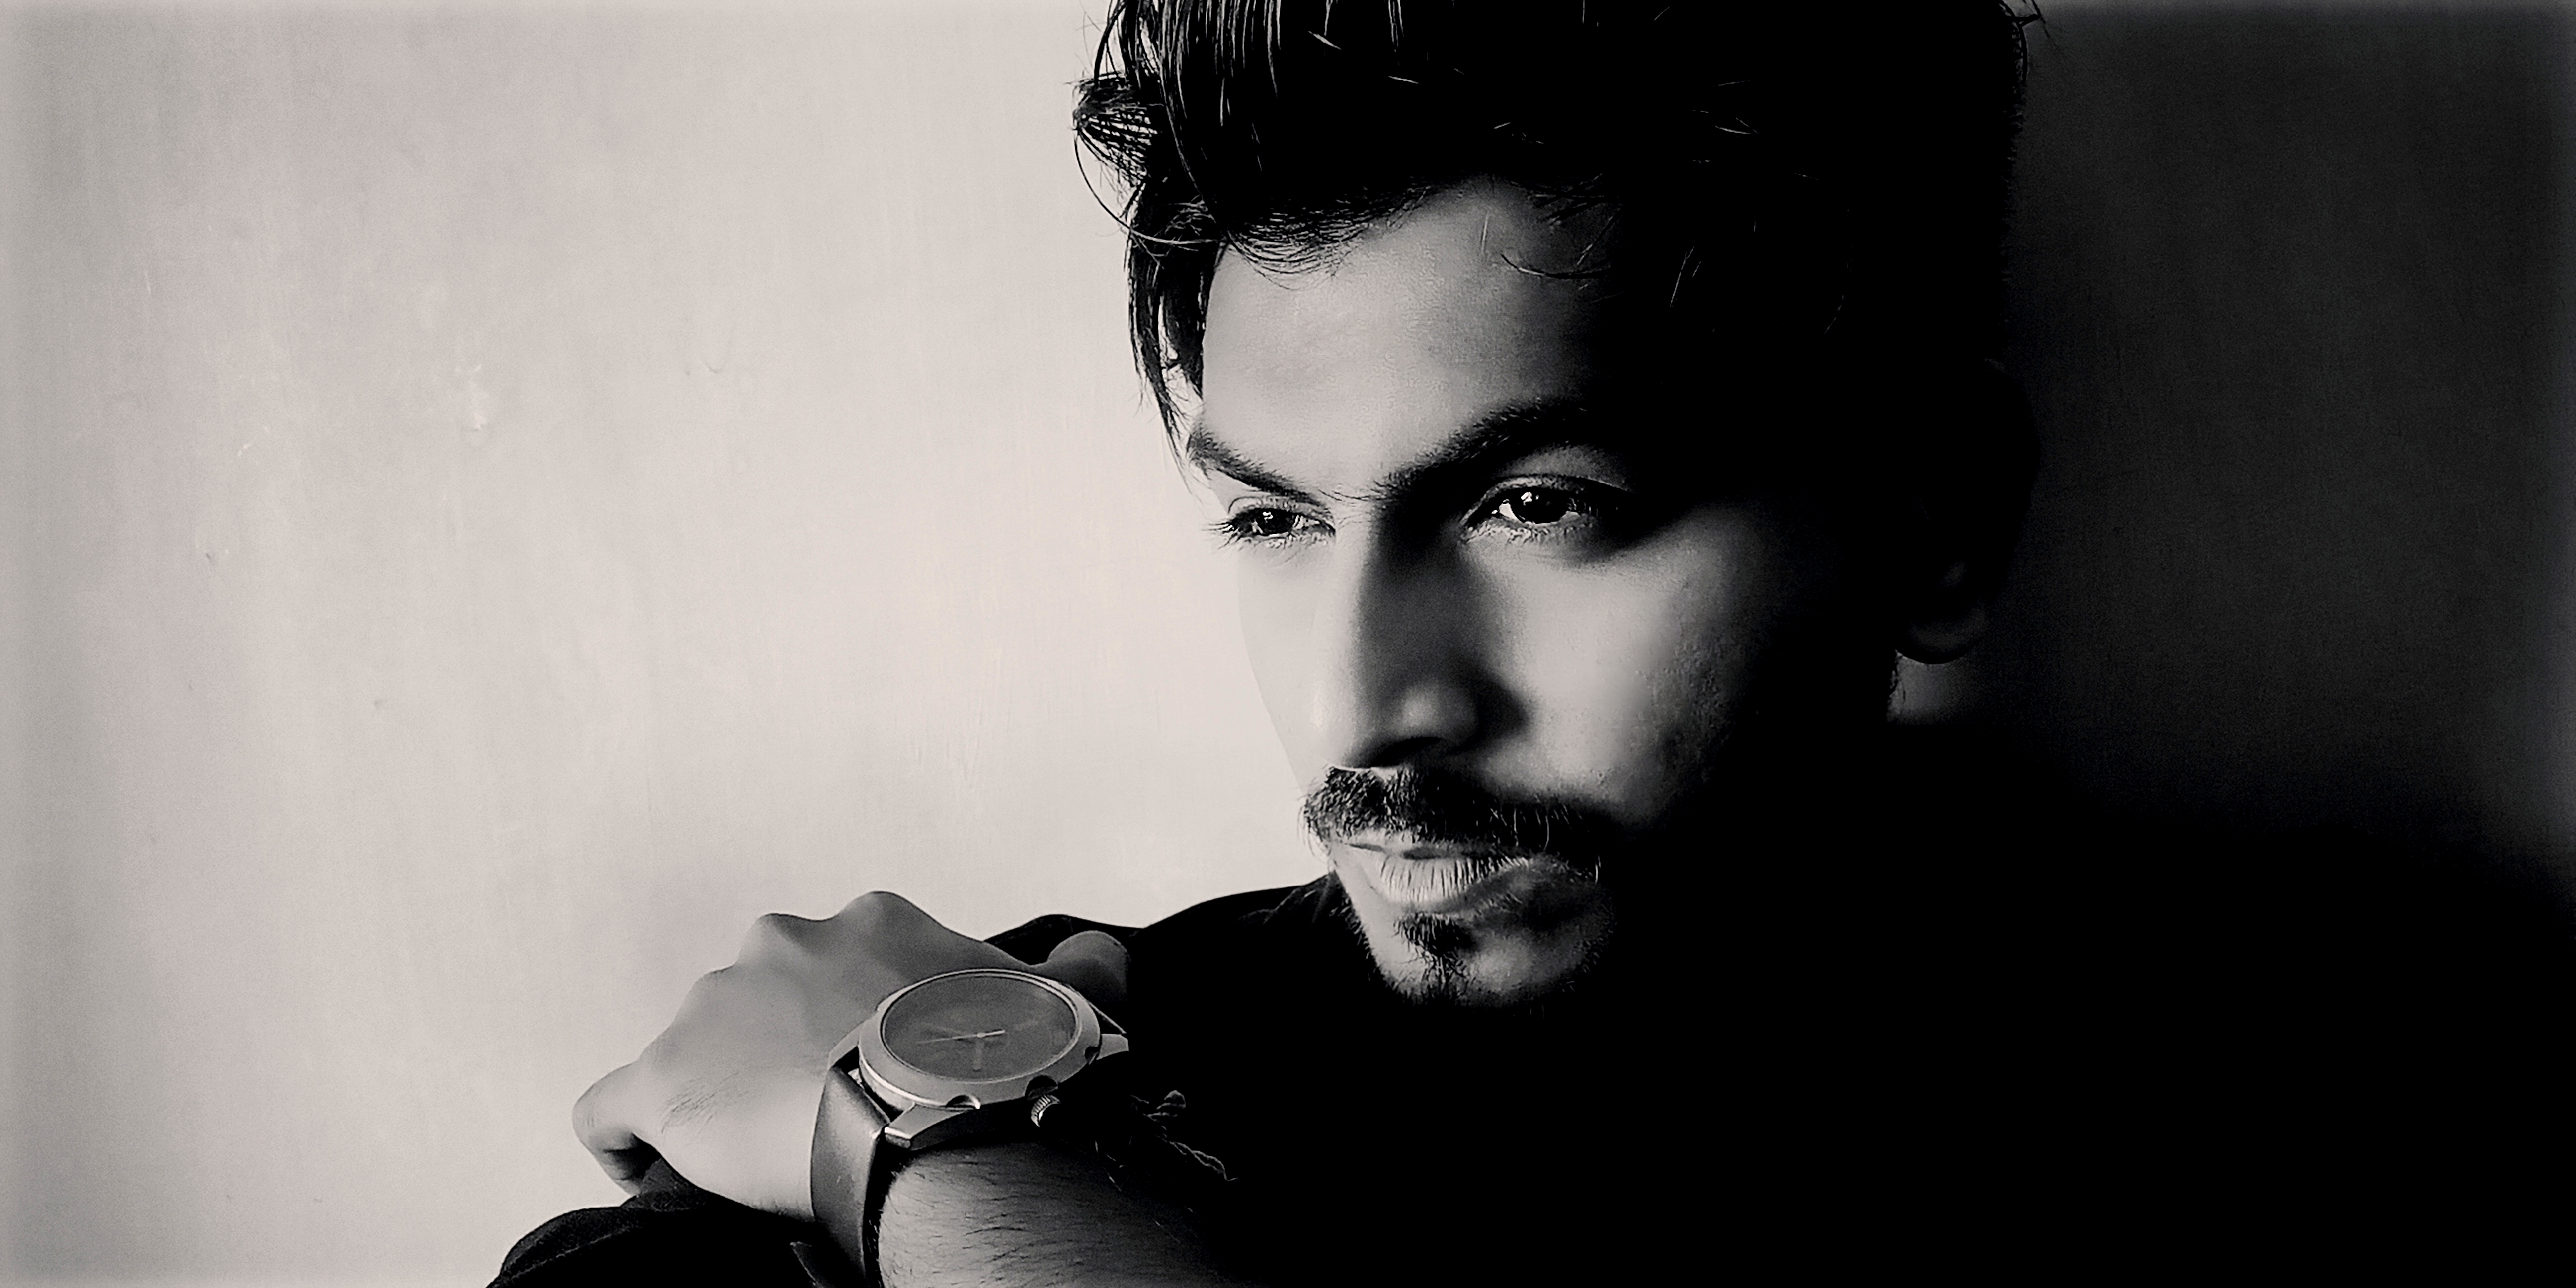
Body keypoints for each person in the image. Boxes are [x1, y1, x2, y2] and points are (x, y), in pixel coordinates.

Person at [494, 2, 2574, 1283]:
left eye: (1534, 505)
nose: (1367, 711)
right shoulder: (1062, 1045)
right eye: (1276, 519)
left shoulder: (2386, 1077)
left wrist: (965, 1186)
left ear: (1934, 515)